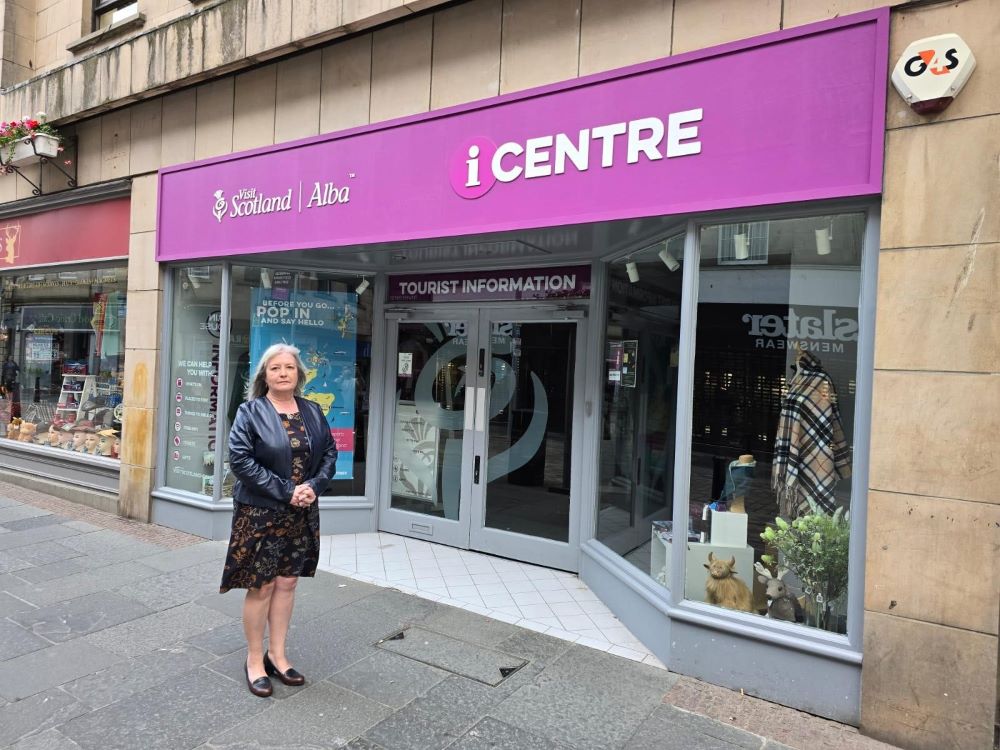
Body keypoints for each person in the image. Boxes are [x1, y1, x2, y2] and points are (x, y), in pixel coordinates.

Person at [220, 343, 338, 698]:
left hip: (300, 511)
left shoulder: (312, 410)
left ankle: (278, 654)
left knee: (287, 582)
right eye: (275, 368)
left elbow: (329, 453)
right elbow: (240, 460)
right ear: (265, 375)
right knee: (262, 586)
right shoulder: (250, 412)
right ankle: (254, 659)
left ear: (299, 374)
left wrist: (313, 487)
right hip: (260, 512)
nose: (283, 373)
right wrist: (287, 490)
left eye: (289, 367)